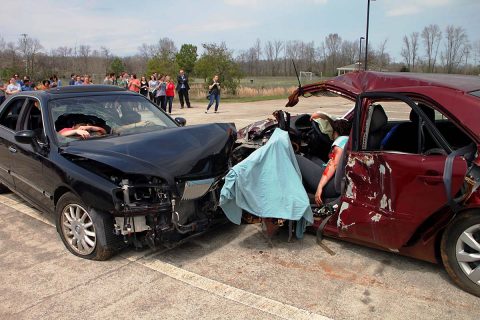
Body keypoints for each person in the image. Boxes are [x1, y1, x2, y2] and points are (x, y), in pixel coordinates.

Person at [296, 115, 351, 206]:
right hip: (337, 180)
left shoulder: (340, 142)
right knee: (311, 157)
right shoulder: (348, 140)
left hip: (330, 186)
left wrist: (320, 187)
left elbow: (333, 164)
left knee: (296, 158)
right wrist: (320, 115)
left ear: (336, 132)